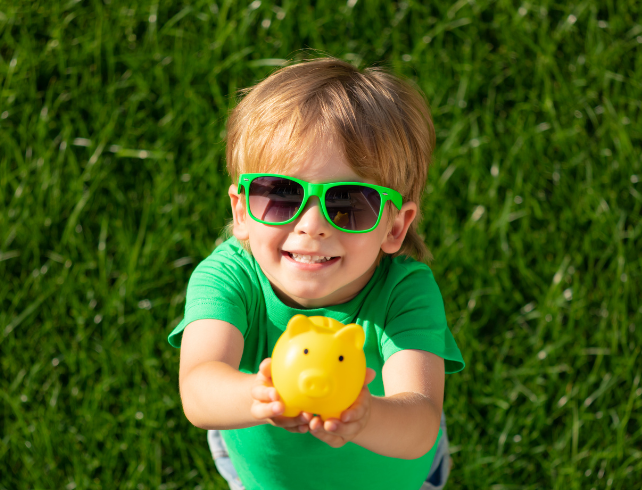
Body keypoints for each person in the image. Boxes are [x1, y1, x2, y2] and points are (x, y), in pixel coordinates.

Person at [167, 57, 465, 490]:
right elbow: (199, 388)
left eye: (348, 203)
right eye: (281, 194)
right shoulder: (228, 278)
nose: (311, 225)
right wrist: (264, 397)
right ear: (242, 211)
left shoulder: (404, 293)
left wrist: (363, 414)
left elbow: (419, 422)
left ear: (395, 227)